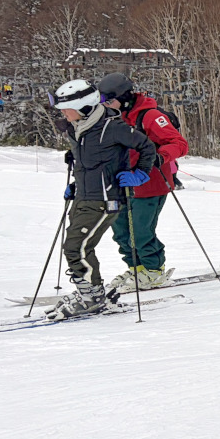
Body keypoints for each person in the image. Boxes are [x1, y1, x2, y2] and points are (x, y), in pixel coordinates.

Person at [47, 79, 163, 321]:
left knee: (76, 247)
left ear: (84, 106)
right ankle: (92, 291)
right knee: (77, 245)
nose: (63, 114)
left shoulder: (112, 127)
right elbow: (93, 164)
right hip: (84, 196)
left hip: (105, 199)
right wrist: (76, 185)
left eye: (66, 109)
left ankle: (91, 297)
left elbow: (147, 147)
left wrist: (140, 173)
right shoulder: (77, 128)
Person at [96, 72, 189, 293]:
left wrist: (159, 157)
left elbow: (179, 143)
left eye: (109, 100)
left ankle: (154, 270)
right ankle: (137, 268)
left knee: (140, 231)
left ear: (124, 97)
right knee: (121, 231)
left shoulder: (150, 116)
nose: (105, 105)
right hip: (121, 183)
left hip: (150, 184)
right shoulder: (112, 117)